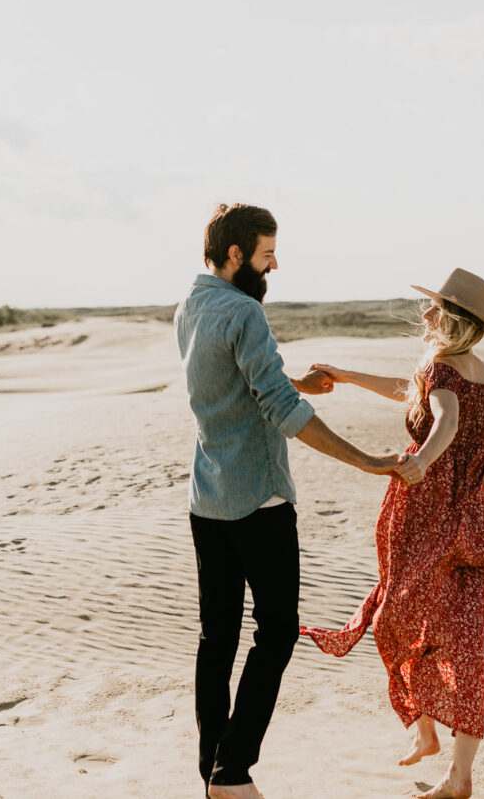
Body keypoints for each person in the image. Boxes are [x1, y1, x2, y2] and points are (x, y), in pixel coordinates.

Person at [174, 203, 414, 799]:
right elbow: (282, 413)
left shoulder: (190, 306)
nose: (275, 264)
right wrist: (369, 460)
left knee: (217, 638)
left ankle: (214, 773)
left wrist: (297, 381)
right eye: (265, 254)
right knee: (277, 631)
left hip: (207, 497)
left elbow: (237, 383)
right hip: (259, 500)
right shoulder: (245, 311)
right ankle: (232, 772)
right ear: (236, 255)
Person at [300, 268, 484, 799]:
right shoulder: (480, 370)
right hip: (475, 522)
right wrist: (346, 376)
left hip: (432, 518)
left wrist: (420, 464)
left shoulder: (441, 369)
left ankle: (424, 729)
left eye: (435, 307)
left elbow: (446, 419)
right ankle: (458, 773)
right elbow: (415, 395)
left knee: (395, 620)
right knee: (464, 644)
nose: (426, 313)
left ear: (453, 320)